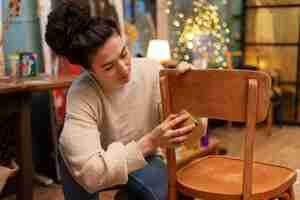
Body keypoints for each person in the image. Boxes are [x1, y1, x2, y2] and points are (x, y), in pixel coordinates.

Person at [45, 1, 196, 200]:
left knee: (174, 193)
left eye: (124, 54)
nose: (124, 69)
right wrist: (151, 140)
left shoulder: (151, 71)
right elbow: (92, 173)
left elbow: (191, 133)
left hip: (144, 156)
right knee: (80, 172)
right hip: (93, 163)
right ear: (90, 71)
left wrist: (190, 93)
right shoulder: (82, 93)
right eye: (108, 67)